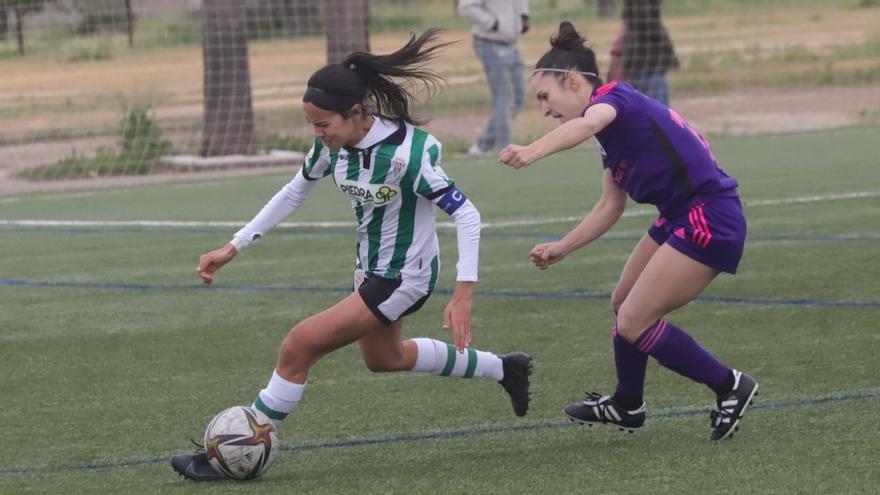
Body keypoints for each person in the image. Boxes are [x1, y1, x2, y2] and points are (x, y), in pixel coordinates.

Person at [171, 29, 533, 482]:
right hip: (370, 270)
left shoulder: (410, 156)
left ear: (357, 113)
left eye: (324, 124)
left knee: (299, 345)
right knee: (385, 359)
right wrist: (234, 245)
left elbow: (469, 216)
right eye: (313, 125)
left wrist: (463, 293)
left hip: (404, 277)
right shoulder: (334, 146)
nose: (318, 134)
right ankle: (506, 369)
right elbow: (294, 190)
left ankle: (241, 451)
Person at [498, 22, 758, 441]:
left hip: (709, 215)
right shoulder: (609, 134)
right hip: (679, 214)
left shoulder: (612, 99)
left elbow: (582, 125)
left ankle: (730, 385)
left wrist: (532, 150)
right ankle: (628, 404)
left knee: (635, 320)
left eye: (545, 97)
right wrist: (563, 247)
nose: (544, 108)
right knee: (622, 306)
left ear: (572, 81)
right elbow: (609, 206)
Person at [457, 0, 530, 156]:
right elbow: (465, 6)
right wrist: (492, 22)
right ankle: (506, 150)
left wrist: (523, 17)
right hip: (488, 43)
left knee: (519, 96)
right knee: (504, 97)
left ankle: (483, 145)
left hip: (510, 43)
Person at [611, 0, 679, 105]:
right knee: (658, 111)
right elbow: (647, 22)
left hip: (640, 60)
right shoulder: (644, 14)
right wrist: (666, 49)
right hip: (649, 63)